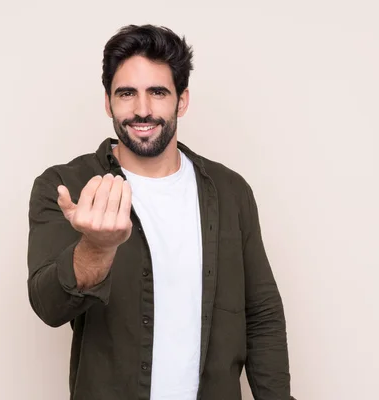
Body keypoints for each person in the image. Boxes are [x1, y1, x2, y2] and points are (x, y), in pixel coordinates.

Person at [27, 24, 294, 400]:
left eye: (157, 92)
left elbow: (262, 313)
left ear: (181, 100)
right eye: (126, 93)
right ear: (107, 101)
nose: (142, 110)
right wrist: (96, 249)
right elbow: (48, 306)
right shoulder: (65, 187)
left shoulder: (231, 191)